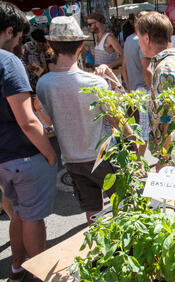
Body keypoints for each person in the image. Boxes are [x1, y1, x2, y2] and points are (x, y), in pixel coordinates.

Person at [36, 16, 135, 225]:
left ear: (51, 45)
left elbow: (46, 119)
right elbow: (117, 117)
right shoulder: (94, 82)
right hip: (102, 155)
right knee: (123, 205)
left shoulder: (43, 84)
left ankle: (99, 250)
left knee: (92, 211)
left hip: (72, 158)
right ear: (81, 45)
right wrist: (134, 141)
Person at [0, 1, 57, 282]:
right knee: (33, 217)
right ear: (10, 30)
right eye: (20, 36)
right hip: (24, 155)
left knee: (18, 212)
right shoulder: (8, 61)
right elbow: (27, 120)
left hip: (3, 160)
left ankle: (16, 267)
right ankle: (38, 274)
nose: (20, 41)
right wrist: (49, 154)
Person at [135, 11, 175, 164]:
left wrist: (165, 159)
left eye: (138, 38)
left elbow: (172, 120)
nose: (138, 43)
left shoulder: (164, 70)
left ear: (146, 38)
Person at [122, 23, 152, 158]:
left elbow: (124, 67)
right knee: (144, 129)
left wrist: (129, 87)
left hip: (134, 89)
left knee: (138, 127)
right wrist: (152, 90)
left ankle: (136, 159)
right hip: (144, 88)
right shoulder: (142, 42)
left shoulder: (128, 40)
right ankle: (139, 162)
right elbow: (146, 69)